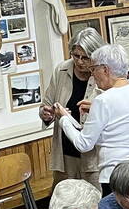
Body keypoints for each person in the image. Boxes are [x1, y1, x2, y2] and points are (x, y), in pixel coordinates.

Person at [57, 44, 129, 193]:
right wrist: (96, 110)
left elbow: (83, 144)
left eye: (93, 69)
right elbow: (124, 118)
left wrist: (64, 119)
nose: (92, 75)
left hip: (118, 177)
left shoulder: (103, 100)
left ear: (105, 69)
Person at [40, 28, 104, 187]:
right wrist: (47, 113)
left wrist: (94, 109)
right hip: (66, 154)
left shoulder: (103, 75)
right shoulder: (61, 70)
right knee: (65, 205)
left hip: (94, 158)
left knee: (94, 204)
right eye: (76, 55)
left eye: (86, 57)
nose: (80, 61)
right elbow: (46, 104)